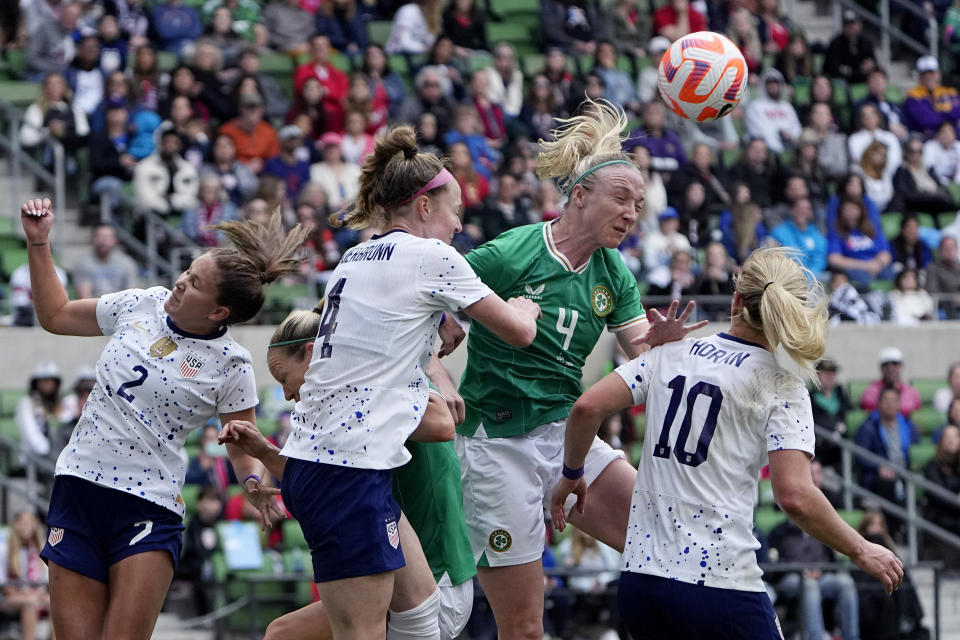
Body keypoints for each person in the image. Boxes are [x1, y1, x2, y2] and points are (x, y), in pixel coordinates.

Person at [241, 125, 541, 640]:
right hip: (346, 472)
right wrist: (524, 307)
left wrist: (433, 333)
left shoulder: (351, 260)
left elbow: (381, 339)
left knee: (421, 624)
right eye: (455, 212)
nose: (457, 226)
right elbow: (518, 335)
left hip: (343, 466)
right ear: (423, 207)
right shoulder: (431, 258)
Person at [435, 100, 707, 640]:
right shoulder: (513, 252)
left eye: (640, 205)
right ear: (579, 196)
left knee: (672, 548)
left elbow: (640, 359)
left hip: (566, 433)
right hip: (495, 444)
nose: (633, 213)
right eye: (622, 199)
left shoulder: (614, 273)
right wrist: (439, 364)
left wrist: (662, 349)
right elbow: (425, 303)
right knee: (525, 628)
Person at [551, 247, 903, 639]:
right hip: (719, 583)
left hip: (641, 583)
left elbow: (585, 408)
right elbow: (795, 496)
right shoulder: (782, 383)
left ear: (736, 300)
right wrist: (859, 548)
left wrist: (571, 473)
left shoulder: (671, 353)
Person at [21, 196, 304, 640]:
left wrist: (252, 484)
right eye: (187, 272)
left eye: (193, 283)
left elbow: (241, 443)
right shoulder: (143, 303)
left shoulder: (232, 364)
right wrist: (39, 243)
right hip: (79, 488)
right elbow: (55, 315)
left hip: (148, 504)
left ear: (217, 312)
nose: (179, 282)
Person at [220, 304, 478, 640]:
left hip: (434, 576)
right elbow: (333, 479)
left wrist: (430, 360)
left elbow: (442, 425)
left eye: (284, 377)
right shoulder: (346, 401)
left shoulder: (373, 383)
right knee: (281, 633)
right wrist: (264, 454)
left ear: (313, 353)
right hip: (399, 568)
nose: (285, 393)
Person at [4, 511, 51, 640]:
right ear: (15, 525)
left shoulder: (41, 549)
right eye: (22, 523)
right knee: (29, 604)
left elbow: (45, 581)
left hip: (36, 594)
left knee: (54, 603)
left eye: (29, 523)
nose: (25, 526)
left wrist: (37, 594)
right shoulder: (5, 549)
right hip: (12, 597)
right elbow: (4, 584)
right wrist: (26, 595)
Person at [921, 424, 960, 571]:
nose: (951, 440)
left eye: (955, 436)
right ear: (941, 441)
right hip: (939, 520)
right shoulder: (932, 466)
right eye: (947, 437)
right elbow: (939, 496)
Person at [71, 225, 139, 299]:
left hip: (120, 308)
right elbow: (84, 297)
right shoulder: (83, 264)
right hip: (92, 308)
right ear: (92, 239)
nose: (103, 240)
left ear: (115, 240)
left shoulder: (127, 263)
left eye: (107, 237)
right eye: (99, 236)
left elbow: (130, 295)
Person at [745, 68, 802, 155]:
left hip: (791, 147)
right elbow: (755, 131)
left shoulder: (787, 106)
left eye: (775, 83)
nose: (773, 86)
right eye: (769, 84)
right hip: (767, 150)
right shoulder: (756, 106)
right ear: (764, 86)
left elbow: (797, 128)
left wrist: (790, 136)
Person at [809, 357, 851, 471]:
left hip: (839, 449)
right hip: (819, 450)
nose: (829, 376)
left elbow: (847, 415)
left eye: (832, 372)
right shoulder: (809, 397)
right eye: (825, 372)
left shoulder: (841, 393)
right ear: (817, 375)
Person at [905, 55, 960, 139]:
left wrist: (935, 112)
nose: (928, 76)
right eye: (924, 73)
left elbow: (957, 113)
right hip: (927, 137)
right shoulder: (912, 95)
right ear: (919, 76)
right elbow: (924, 119)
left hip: (954, 135)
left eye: (931, 72)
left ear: (938, 74)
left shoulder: (950, 91)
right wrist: (945, 112)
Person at [770, 197, 828, 276]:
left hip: (813, 278)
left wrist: (809, 278)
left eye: (807, 209)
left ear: (811, 213)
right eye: (799, 208)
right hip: (786, 277)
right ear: (792, 210)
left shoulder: (817, 235)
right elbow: (775, 258)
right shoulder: (778, 232)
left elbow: (819, 260)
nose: (803, 211)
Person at [860, 347, 922, 415]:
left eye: (895, 364)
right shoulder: (871, 391)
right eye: (886, 365)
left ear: (901, 366)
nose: (890, 368)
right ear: (881, 368)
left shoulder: (911, 392)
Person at [822, 10, 876, 84]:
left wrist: (850, 71)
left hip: (863, 83)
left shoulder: (866, 43)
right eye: (847, 24)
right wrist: (858, 71)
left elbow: (872, 64)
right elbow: (832, 69)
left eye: (853, 24)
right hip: (840, 84)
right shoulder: (836, 43)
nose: (850, 27)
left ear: (859, 25)